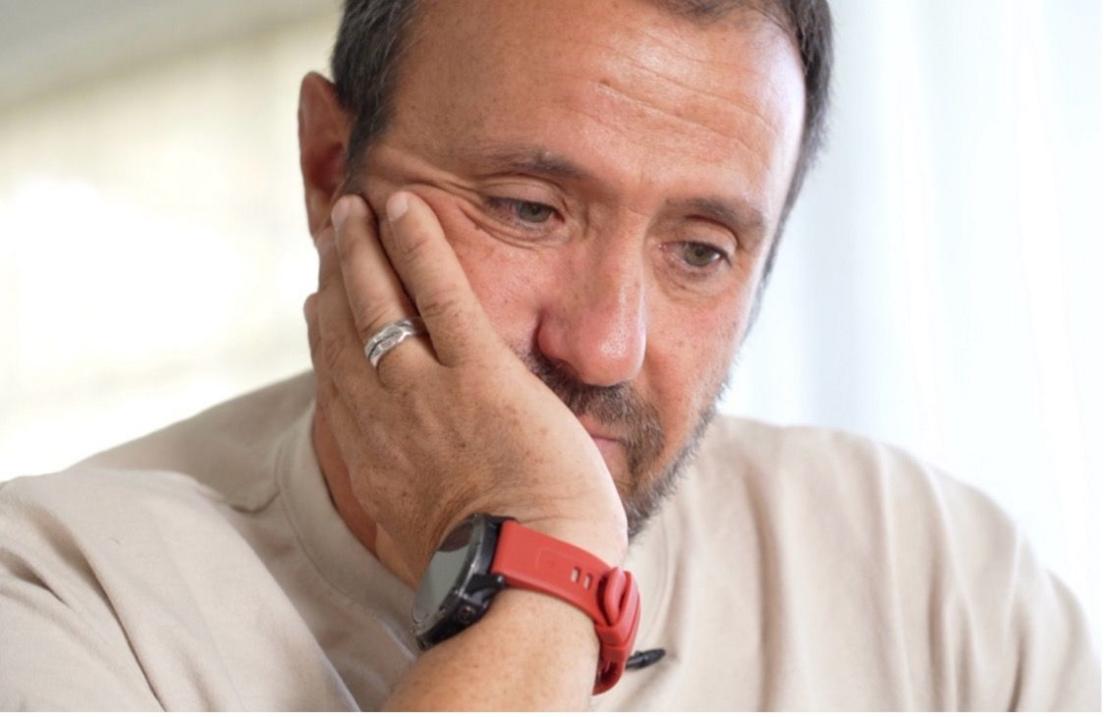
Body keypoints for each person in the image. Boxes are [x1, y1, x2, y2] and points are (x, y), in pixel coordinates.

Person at [0, 0, 1098, 710]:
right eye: (528, 209)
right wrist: (544, 569)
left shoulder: (932, 576)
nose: (605, 346)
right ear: (332, 170)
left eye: (702, 251)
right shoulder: (56, 595)